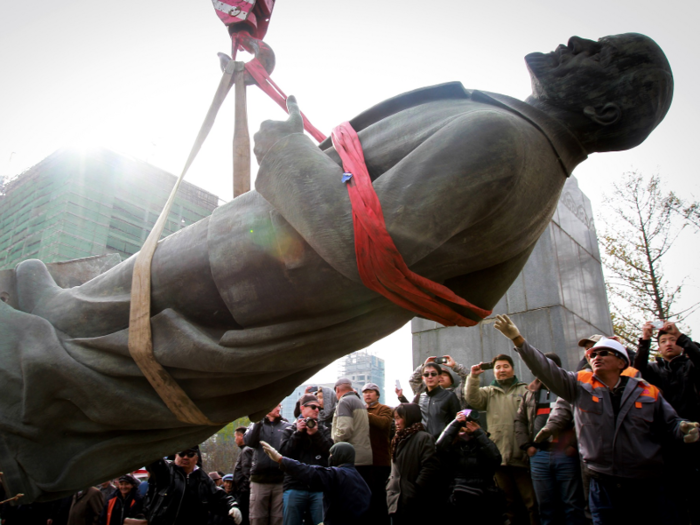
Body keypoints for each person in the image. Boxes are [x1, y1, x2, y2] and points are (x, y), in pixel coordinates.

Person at [0, 33, 675, 501]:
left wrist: (290, 156)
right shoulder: (523, 150)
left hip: (239, 273)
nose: (579, 43)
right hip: (244, 269)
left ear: (607, 107)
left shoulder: (506, 146)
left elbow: (365, 244)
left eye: (603, 54)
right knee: (64, 317)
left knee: (55, 339)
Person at [494, 314, 700, 525]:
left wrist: (683, 428)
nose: (595, 357)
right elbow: (546, 369)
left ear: (621, 362)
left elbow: (671, 423)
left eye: (604, 353)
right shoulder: (579, 386)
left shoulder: (647, 391)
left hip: (646, 483)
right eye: (593, 354)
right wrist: (518, 339)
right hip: (602, 483)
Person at [634, 320, 700, 524]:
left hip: (693, 438)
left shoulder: (690, 366)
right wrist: (644, 340)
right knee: (672, 497)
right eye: (663, 341)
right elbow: (637, 371)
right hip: (664, 442)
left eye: (673, 340)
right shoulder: (654, 370)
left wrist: (681, 336)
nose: (669, 344)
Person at [514, 353, 585, 525]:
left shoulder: (569, 388)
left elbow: (581, 419)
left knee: (572, 504)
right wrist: (527, 446)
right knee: (545, 505)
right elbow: (520, 420)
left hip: (565, 455)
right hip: (539, 455)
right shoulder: (530, 393)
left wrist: (572, 446)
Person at [465, 354, 536, 525]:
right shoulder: (489, 393)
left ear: (512, 369)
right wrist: (473, 376)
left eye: (505, 366)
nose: (501, 370)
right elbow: (472, 398)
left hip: (522, 455)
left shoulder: (524, 390)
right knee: (507, 503)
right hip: (499, 456)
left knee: (532, 502)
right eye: (498, 367)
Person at [259, 441, 370, 525]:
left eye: (332, 455)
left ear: (339, 455)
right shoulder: (361, 480)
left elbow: (309, 472)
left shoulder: (336, 474)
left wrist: (281, 459)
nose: (330, 458)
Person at [143, 446, 241, 525]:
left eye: (190, 454)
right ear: (176, 455)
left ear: (196, 458)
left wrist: (233, 506)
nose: (185, 457)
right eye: (182, 453)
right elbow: (153, 461)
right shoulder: (165, 471)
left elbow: (219, 496)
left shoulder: (203, 479)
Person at [436, 411, 503, 524]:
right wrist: (455, 423)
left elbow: (495, 458)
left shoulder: (482, 443)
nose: (466, 430)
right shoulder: (453, 446)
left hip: (482, 497)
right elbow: (439, 447)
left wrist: (479, 433)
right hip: (457, 496)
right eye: (462, 428)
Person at [278, 394, 332, 525]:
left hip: (318, 487)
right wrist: (298, 433)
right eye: (313, 407)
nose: (317, 410)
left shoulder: (323, 430)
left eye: (319, 408)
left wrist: (316, 434)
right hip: (295, 486)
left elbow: (331, 453)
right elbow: (284, 456)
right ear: (302, 408)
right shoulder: (289, 430)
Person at [386, 403, 440, 524]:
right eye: (395, 418)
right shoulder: (397, 439)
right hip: (395, 498)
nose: (397, 422)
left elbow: (430, 467)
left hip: (411, 499)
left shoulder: (423, 438)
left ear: (410, 418)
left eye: (400, 418)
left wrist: (415, 488)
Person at [244, 405, 290, 525]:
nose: (279, 408)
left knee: (279, 519)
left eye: (280, 405)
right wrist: (258, 422)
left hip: (280, 480)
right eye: (277, 405)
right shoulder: (256, 425)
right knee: (257, 519)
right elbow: (249, 441)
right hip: (259, 480)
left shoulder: (287, 426)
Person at [361, 383, 393, 525]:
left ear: (377, 395)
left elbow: (384, 423)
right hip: (365, 461)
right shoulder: (362, 410)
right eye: (365, 392)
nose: (368, 394)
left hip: (380, 460)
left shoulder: (384, 409)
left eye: (371, 392)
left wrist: (364, 414)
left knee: (379, 498)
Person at [331, 379, 373, 469]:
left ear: (337, 390)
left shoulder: (344, 402)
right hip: (364, 457)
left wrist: (334, 446)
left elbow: (344, 430)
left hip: (351, 459)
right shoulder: (359, 402)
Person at [416, 362, 461, 439]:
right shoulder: (420, 397)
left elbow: (457, 421)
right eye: (426, 374)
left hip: (444, 443)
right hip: (424, 444)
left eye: (433, 374)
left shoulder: (449, 396)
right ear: (423, 378)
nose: (430, 377)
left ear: (439, 377)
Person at [233, 426, 253, 525]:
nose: (235, 440)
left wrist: (243, 490)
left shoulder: (246, 450)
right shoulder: (245, 450)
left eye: (235, 436)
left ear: (241, 436)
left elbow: (247, 473)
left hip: (244, 494)